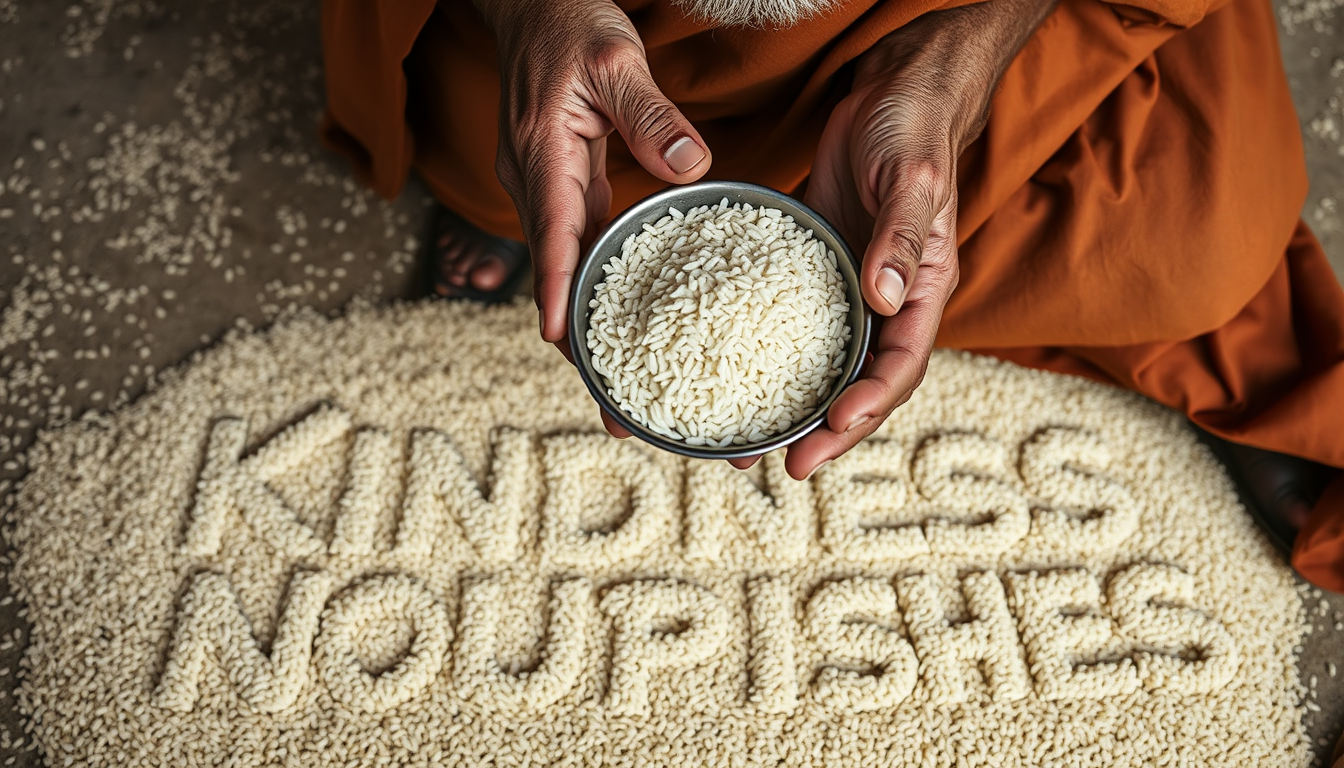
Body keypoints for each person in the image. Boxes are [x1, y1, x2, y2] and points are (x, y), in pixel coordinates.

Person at [319, 0, 1344, 592]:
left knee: (1193, 244)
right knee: (497, 140)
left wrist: (963, 54)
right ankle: (517, 143)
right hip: (622, 28)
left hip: (930, 27)